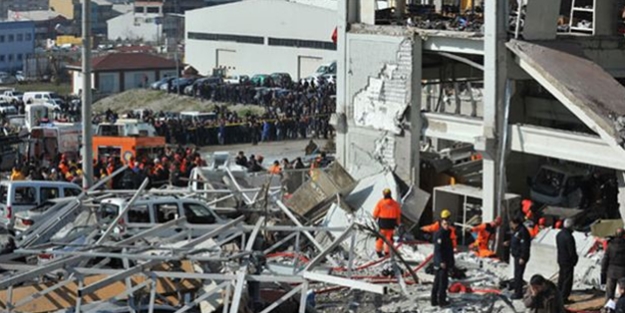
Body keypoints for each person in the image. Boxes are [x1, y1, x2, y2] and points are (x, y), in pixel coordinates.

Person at [372, 188, 401, 258]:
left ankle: (378, 252)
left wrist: (374, 218)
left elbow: (376, 212)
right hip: (391, 224)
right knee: (389, 238)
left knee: (380, 238)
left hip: (382, 224)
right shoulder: (395, 204)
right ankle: (387, 252)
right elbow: (398, 215)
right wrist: (398, 223)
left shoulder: (380, 202)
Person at [431, 218, 454, 307]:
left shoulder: (447, 234)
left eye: (448, 224)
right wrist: (441, 261)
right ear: (441, 224)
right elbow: (438, 250)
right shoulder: (440, 234)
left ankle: (435, 300)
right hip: (441, 262)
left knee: (438, 281)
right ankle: (441, 300)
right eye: (445, 224)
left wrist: (451, 262)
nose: (446, 226)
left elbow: (449, 249)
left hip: (446, 260)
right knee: (441, 282)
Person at [508, 215, 531, 300]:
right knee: (517, 274)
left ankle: (518, 293)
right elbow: (515, 240)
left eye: (511, 223)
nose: (510, 225)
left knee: (518, 275)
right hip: (516, 255)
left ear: (515, 223)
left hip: (520, 257)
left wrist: (523, 257)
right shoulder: (517, 230)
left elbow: (525, 245)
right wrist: (509, 243)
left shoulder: (523, 231)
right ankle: (517, 290)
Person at [556, 218, 578, 304]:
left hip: (561, 259)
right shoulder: (569, 237)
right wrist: (574, 260)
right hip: (568, 261)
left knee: (561, 278)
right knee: (567, 280)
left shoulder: (559, 234)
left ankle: (559, 295)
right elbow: (571, 251)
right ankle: (564, 297)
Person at [602, 228, 625, 301]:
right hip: (623, 271)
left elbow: (605, 259)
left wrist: (603, 271)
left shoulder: (610, 245)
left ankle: (608, 308)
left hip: (611, 271)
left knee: (609, 292)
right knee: (623, 292)